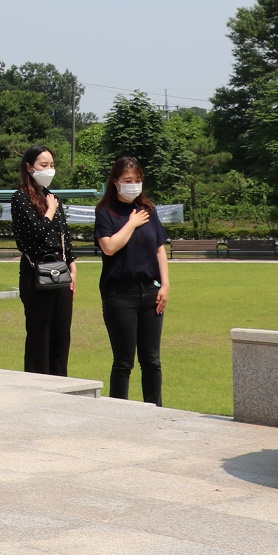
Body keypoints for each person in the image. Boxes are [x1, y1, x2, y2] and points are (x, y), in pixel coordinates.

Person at [95, 156, 170, 404]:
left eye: (137, 180)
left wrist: (166, 285)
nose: (133, 185)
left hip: (150, 291)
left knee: (152, 359)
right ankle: (119, 412)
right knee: (124, 361)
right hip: (119, 295)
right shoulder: (106, 212)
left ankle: (155, 408)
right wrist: (131, 223)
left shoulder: (148, 209)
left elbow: (160, 249)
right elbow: (110, 247)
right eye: (128, 180)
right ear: (115, 182)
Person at [13, 144, 75, 377]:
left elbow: (64, 236)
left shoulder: (52, 197)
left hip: (60, 270)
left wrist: (73, 265)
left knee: (62, 332)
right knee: (40, 332)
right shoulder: (20, 198)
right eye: (43, 165)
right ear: (29, 167)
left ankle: (60, 380)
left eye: (51, 165)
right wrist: (49, 211)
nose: (49, 169)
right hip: (35, 270)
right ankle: (37, 380)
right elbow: (36, 233)